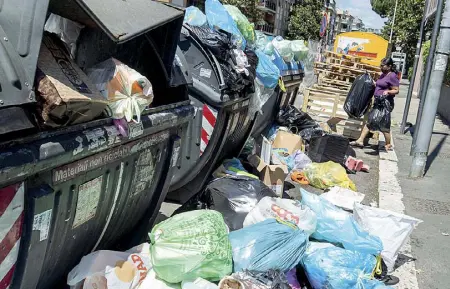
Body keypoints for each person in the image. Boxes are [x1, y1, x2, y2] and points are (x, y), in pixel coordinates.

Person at [350, 57, 400, 151]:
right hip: (378, 102)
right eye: (380, 65)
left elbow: (396, 90)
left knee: (383, 124)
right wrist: (371, 82)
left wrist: (388, 92)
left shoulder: (392, 76)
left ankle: (388, 144)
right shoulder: (383, 74)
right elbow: (379, 84)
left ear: (389, 66)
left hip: (385, 103)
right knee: (371, 120)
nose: (380, 67)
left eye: (382, 66)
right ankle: (360, 140)